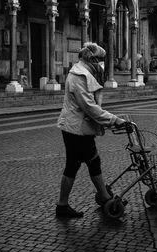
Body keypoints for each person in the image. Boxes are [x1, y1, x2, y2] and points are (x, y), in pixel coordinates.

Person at [56, 42, 126, 218]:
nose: (102, 64)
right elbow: (89, 107)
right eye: (101, 60)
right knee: (82, 163)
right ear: (92, 59)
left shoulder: (84, 73)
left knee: (85, 162)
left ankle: (98, 196)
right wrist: (114, 120)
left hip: (78, 127)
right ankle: (65, 205)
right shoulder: (79, 76)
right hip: (76, 129)